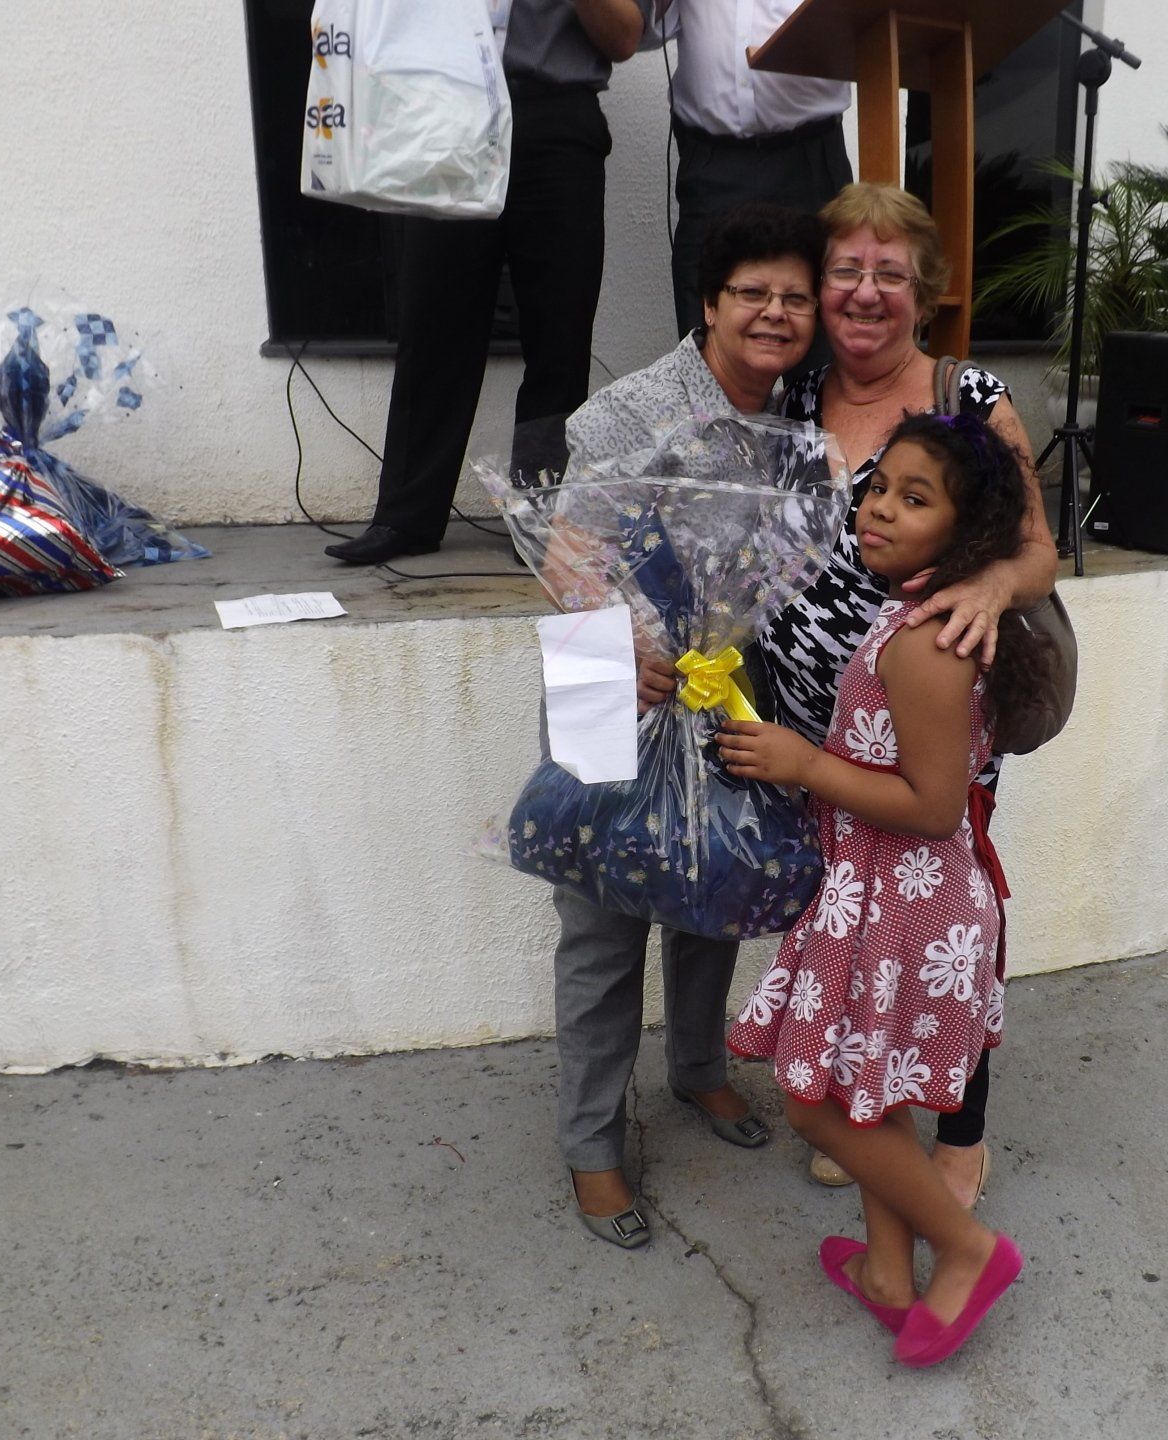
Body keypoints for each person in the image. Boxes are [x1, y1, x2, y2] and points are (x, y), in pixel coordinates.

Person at [720, 412, 1048, 1366]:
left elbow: (934, 807)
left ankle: (967, 1249)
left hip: (907, 905)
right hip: (878, 895)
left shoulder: (926, 643)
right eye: (877, 489)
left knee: (817, 1103)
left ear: (967, 531)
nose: (880, 510)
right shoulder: (907, 615)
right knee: (869, 1089)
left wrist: (803, 764)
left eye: (915, 498)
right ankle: (888, 1275)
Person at [755, 182, 1060, 1201]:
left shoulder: (968, 396)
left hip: (924, 716)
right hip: (812, 723)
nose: (865, 291)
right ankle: (865, 1105)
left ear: (924, 294)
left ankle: (961, 1131)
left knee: (946, 924)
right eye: (845, 269)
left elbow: (1038, 551)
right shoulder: (792, 391)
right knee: (851, 922)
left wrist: (990, 586)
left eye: (890, 273)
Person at [547, 204, 827, 1248]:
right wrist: (629, 645)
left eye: (794, 297)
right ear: (709, 303)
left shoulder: (800, 423)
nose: (774, 312)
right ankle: (591, 1142)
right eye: (752, 292)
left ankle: (699, 1067)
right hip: (607, 674)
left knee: (717, 880)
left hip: (729, 678)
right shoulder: (627, 411)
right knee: (602, 922)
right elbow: (569, 552)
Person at [326, 0, 650, 567]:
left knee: (560, 333)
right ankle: (406, 516)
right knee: (433, 323)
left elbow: (624, 37)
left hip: (556, 114)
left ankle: (541, 519)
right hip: (445, 108)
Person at [650, 0, 852, 342]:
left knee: (819, 326)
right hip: (712, 163)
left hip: (810, 158)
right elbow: (643, 32)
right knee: (706, 333)